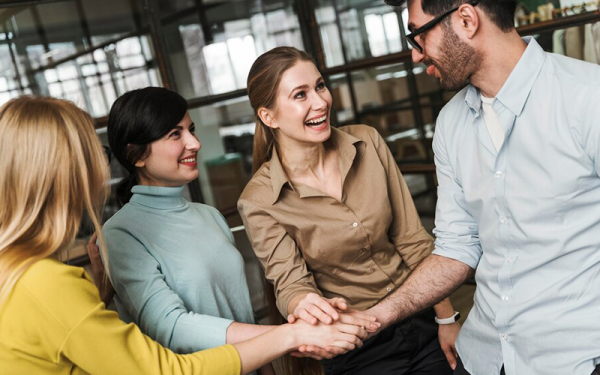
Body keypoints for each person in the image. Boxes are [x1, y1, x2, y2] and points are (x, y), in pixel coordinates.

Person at [0, 96, 365, 375]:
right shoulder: (53, 278)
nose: (99, 168)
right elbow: (166, 353)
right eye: (175, 134)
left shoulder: (24, 274)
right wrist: (291, 335)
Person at [363, 0, 600, 374]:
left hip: (575, 358)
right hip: (484, 356)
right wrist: (376, 316)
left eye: (418, 35)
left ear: (466, 19)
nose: (414, 54)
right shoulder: (450, 123)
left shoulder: (589, 98)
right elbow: (457, 247)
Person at [237, 46, 461, 375]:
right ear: (268, 116)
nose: (320, 102)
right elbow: (291, 284)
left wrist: (446, 318)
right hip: (357, 346)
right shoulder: (258, 200)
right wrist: (306, 308)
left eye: (320, 86)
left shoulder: (367, 142)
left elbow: (412, 240)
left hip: (419, 315)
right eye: (300, 95)